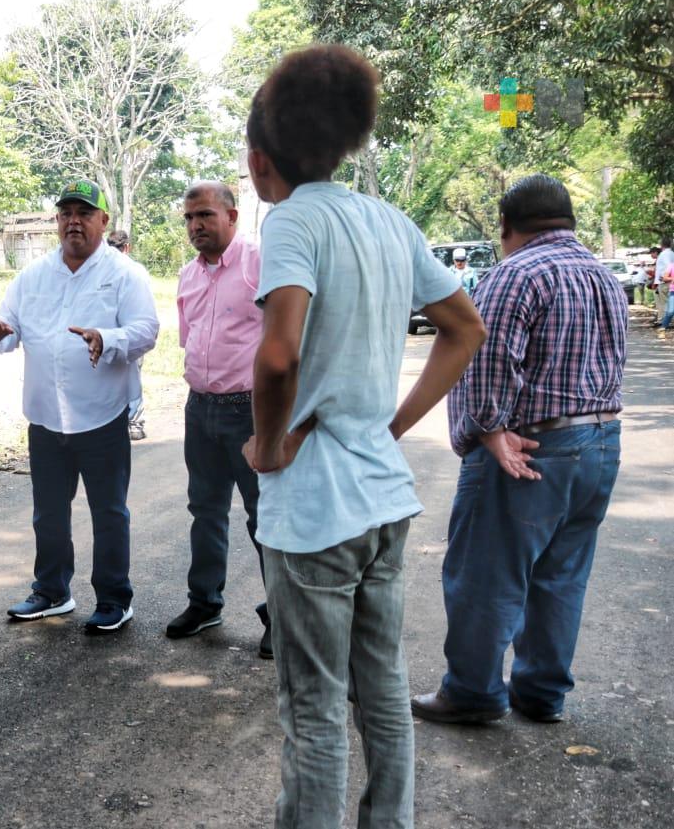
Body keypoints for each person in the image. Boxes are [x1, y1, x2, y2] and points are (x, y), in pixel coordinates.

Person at [243, 45, 486, 828]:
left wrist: (267, 444)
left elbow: (277, 354)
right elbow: (463, 326)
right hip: (383, 499)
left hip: (315, 510)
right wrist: (391, 424)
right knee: (380, 687)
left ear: (259, 157)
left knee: (311, 704)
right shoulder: (388, 219)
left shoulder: (290, 221)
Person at [412, 175, 627, 726]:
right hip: (601, 441)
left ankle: (473, 693)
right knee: (561, 576)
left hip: (533, 445)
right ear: (569, 221)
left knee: (487, 576)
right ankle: (541, 693)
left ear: (506, 227)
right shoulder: (603, 277)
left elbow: (483, 360)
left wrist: (486, 430)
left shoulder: (515, 273)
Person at [0, 178, 159, 634]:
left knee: (109, 511)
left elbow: (147, 330)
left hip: (101, 415)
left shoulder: (124, 274)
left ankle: (115, 599)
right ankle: (53, 590)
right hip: (45, 416)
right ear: (57, 221)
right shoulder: (33, 276)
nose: (73, 222)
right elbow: (12, 324)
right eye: (66, 214)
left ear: (104, 220)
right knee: (49, 512)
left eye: (84, 213)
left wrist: (109, 338)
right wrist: (2, 331)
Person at [165, 181, 273, 657]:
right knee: (204, 510)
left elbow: (286, 340)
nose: (196, 226)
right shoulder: (188, 275)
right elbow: (190, 341)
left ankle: (283, 616)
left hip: (250, 409)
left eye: (205, 215)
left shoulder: (259, 264)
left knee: (263, 516)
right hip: (200, 407)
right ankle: (204, 602)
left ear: (232, 215)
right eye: (189, 218)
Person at [106, 229, 147, 440]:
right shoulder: (136, 270)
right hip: (130, 335)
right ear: (127, 247)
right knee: (133, 377)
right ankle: (134, 423)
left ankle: (121, 422)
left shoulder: (100, 271)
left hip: (110, 336)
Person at [658, 237, 674, 333]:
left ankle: (664, 324)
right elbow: (666, 273)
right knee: (670, 309)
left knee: (665, 305)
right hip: (670, 286)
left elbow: (664, 273)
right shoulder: (671, 256)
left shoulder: (663, 255)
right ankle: (664, 326)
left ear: (662, 245)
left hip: (665, 284)